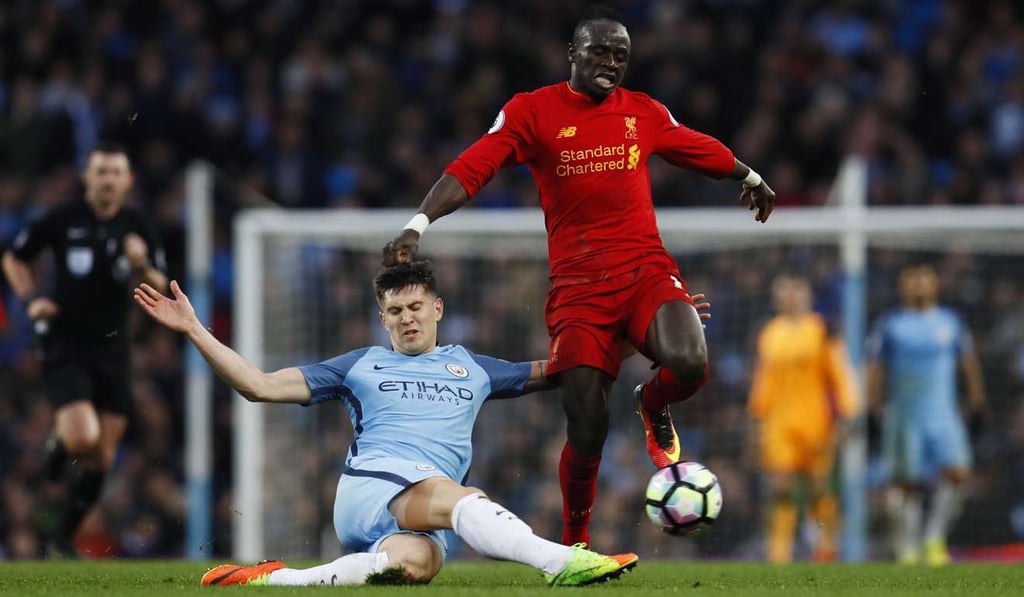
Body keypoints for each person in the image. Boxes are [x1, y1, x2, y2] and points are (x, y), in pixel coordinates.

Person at [383, 5, 775, 546]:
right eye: (600, 51)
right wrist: (418, 223)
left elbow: (693, 147)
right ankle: (576, 542)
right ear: (572, 53)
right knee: (585, 421)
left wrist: (748, 174)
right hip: (579, 291)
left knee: (690, 362)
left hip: (645, 272)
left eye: (621, 55)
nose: (611, 63)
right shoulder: (532, 111)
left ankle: (651, 403)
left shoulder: (643, 112)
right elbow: (477, 163)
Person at [133, 261, 638, 586]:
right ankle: (562, 562)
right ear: (383, 319)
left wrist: (634, 338)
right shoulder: (360, 365)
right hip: (372, 485)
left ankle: (276, 581)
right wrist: (194, 329)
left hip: (419, 512)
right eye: (394, 310)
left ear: (437, 309)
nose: (406, 318)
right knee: (465, 498)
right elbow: (259, 386)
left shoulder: (474, 367)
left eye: (416, 306)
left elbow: (565, 370)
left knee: (412, 566)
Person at [2, 140, 167, 558]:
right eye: (101, 171)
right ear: (87, 178)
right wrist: (31, 299)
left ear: (127, 181)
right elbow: (14, 259)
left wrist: (141, 264)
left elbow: (162, 285)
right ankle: (60, 443)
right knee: (84, 438)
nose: (108, 179)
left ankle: (62, 537)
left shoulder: (136, 225)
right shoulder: (63, 218)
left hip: (114, 352)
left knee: (101, 458)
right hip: (65, 344)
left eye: (116, 172)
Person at [866, 261, 986, 566]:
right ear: (902, 286)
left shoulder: (950, 322)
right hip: (904, 416)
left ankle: (934, 537)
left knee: (958, 474)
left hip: (943, 414)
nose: (919, 284)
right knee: (906, 484)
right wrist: (872, 409)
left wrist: (977, 404)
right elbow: (875, 370)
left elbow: (969, 365)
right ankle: (907, 545)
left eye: (924, 278)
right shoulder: (890, 324)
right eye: (912, 278)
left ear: (935, 284)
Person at [747, 273, 858, 563]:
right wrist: (756, 418)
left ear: (807, 294)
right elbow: (764, 381)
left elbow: (839, 375)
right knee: (781, 486)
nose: (790, 296)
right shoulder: (769, 333)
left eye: (796, 288)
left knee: (818, 489)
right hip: (778, 423)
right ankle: (779, 553)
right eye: (783, 290)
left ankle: (825, 548)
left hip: (816, 422)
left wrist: (847, 414)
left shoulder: (823, 330)